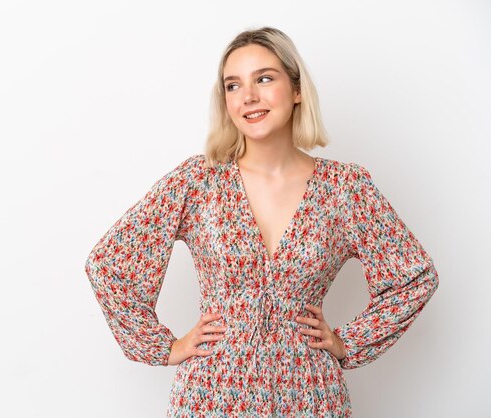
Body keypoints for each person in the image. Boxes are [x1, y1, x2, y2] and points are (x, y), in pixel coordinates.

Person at [84, 26, 439, 417]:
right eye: (232, 86)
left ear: (297, 89)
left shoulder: (344, 188)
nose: (248, 97)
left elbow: (413, 277)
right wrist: (165, 346)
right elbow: (109, 264)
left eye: (264, 79)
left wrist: (348, 343)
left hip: (309, 395)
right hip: (212, 394)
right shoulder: (198, 181)